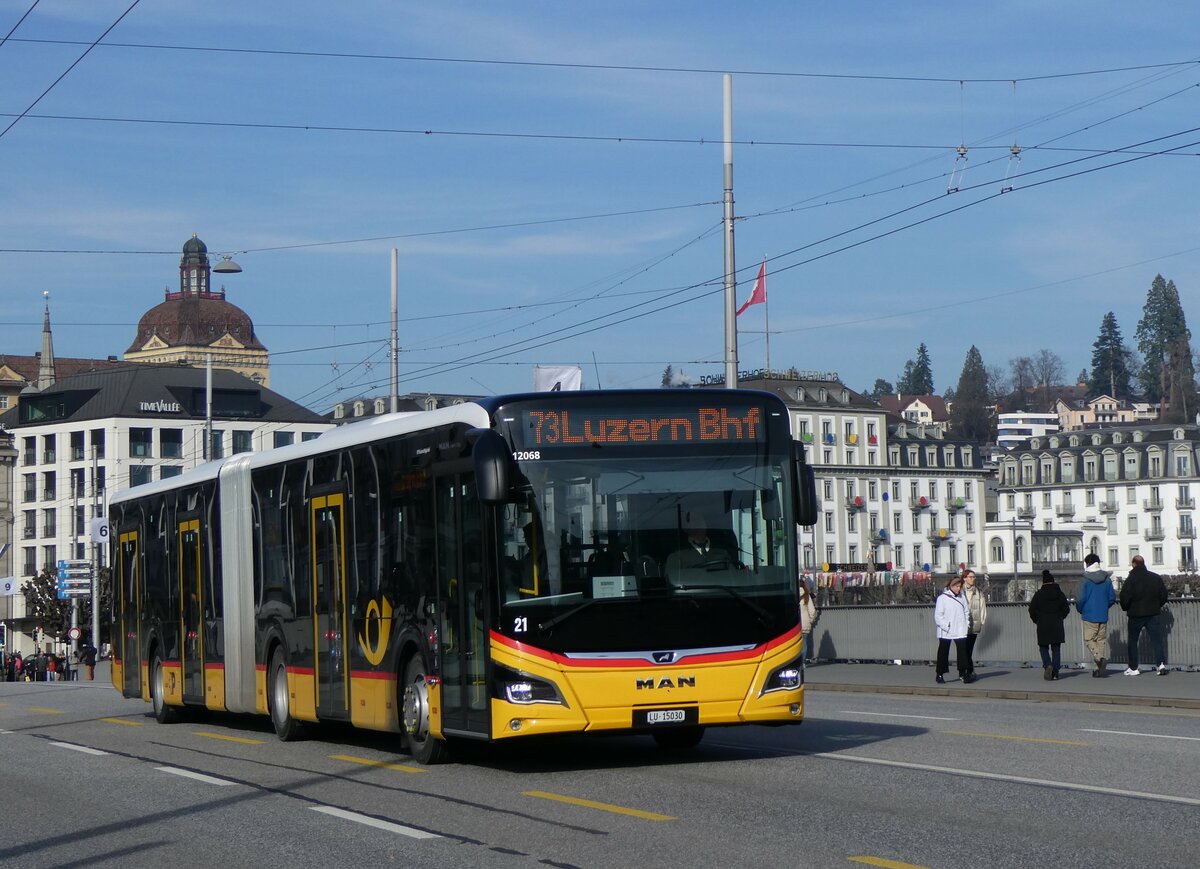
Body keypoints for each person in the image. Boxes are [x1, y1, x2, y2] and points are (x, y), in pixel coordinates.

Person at [1119, 554, 1169, 676]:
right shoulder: (1155, 577)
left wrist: (1126, 607)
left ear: (1134, 564)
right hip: (1153, 613)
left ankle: (1134, 667)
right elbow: (1163, 595)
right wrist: (1157, 605)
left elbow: (1124, 596)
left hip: (1135, 614)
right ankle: (1160, 664)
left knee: (1132, 641)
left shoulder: (1131, 579)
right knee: (1157, 640)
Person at [664, 510, 735, 581]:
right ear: (685, 528)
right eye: (693, 520)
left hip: (723, 591)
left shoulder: (722, 550)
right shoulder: (677, 555)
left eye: (700, 519)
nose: (698, 522)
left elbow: (733, 579)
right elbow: (670, 584)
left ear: (706, 524)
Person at [1076, 553, 1117, 677]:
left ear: (1088, 564)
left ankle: (1099, 658)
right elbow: (1111, 598)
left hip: (1089, 615)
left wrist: (1081, 609)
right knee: (1101, 640)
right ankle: (1098, 669)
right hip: (1103, 614)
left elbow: (1080, 599)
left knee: (1089, 640)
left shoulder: (1084, 580)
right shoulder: (1107, 579)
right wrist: (1104, 607)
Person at [1029, 569, 1070, 680]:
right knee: (1056, 648)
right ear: (1053, 581)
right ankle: (1055, 672)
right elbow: (1066, 609)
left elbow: (1031, 610)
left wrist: (1037, 620)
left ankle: (1048, 665)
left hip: (1043, 625)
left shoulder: (1038, 595)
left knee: (1043, 647)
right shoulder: (1060, 594)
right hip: (1057, 624)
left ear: (1043, 582)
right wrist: (1060, 617)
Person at [933, 575, 970, 684]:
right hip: (946, 631)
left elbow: (966, 612)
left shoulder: (962, 597)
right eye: (957, 586)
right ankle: (940, 674)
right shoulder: (942, 598)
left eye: (960, 586)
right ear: (951, 586)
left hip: (960, 629)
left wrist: (966, 624)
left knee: (963, 652)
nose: (959, 589)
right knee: (943, 652)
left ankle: (963, 673)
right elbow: (938, 616)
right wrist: (946, 626)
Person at [961, 568, 987, 683]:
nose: (973, 579)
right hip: (961, 626)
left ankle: (967, 671)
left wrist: (981, 621)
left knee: (968, 650)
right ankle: (967, 671)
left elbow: (982, 608)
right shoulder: (960, 591)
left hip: (974, 625)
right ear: (964, 578)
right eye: (970, 577)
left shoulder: (978, 592)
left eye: (974, 577)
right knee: (963, 650)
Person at [799, 578, 818, 661]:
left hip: (794, 625)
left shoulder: (791, 594)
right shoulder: (807, 596)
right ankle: (803, 662)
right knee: (804, 644)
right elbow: (812, 611)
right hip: (804, 624)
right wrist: (810, 620)